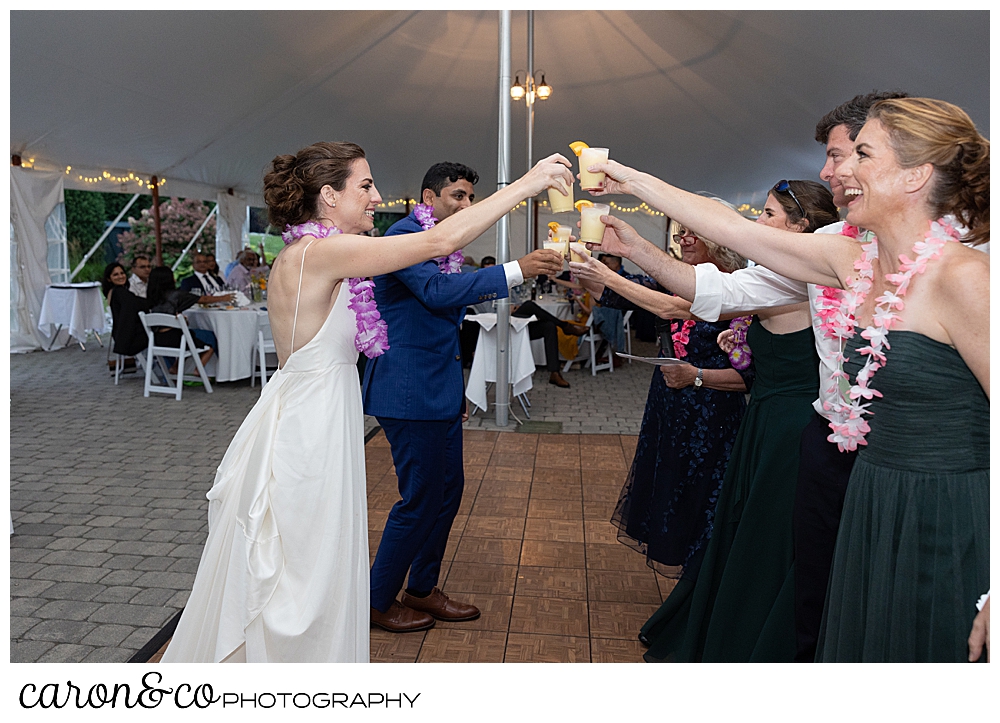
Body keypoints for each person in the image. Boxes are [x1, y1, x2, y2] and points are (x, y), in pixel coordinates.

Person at [585, 96, 989, 663]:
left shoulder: (969, 276)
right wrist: (626, 178)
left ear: (915, 175)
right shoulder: (852, 263)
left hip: (944, 509)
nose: (839, 171)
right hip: (871, 493)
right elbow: (732, 231)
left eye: (862, 154)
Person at [161, 141, 573, 662]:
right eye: (365, 185)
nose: (377, 196)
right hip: (310, 425)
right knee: (306, 561)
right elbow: (441, 239)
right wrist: (528, 184)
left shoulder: (321, 252)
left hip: (321, 411)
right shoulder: (321, 253)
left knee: (313, 557)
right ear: (329, 196)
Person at [578, 182, 840, 661]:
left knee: (765, 538)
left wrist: (626, 251)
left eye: (768, 214)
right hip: (764, 421)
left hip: (786, 427)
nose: (757, 223)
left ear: (801, 227)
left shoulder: (797, 276)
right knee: (743, 532)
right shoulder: (786, 276)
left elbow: (685, 302)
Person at [363, 161, 564, 632]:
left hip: (437, 387)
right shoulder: (403, 236)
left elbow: (446, 292)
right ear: (428, 198)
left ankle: (422, 588)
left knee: (448, 492)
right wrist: (516, 269)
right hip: (409, 391)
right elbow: (436, 292)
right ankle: (376, 599)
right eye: (458, 196)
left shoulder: (439, 242)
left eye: (471, 198)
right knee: (419, 499)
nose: (466, 205)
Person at [571, 210, 753, 584]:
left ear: (719, 240)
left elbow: (749, 376)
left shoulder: (733, 286)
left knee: (702, 498)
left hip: (710, 415)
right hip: (669, 408)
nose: (683, 238)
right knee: (673, 491)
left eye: (693, 232)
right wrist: (583, 266)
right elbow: (617, 295)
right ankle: (689, 586)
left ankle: (698, 588)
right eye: (681, 232)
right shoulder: (676, 282)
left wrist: (696, 376)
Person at [145, 266, 218, 370]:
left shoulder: (152, 297)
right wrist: (225, 297)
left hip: (157, 339)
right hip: (175, 339)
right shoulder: (175, 295)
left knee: (188, 336)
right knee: (210, 338)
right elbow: (203, 299)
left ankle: (174, 368)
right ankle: (199, 370)